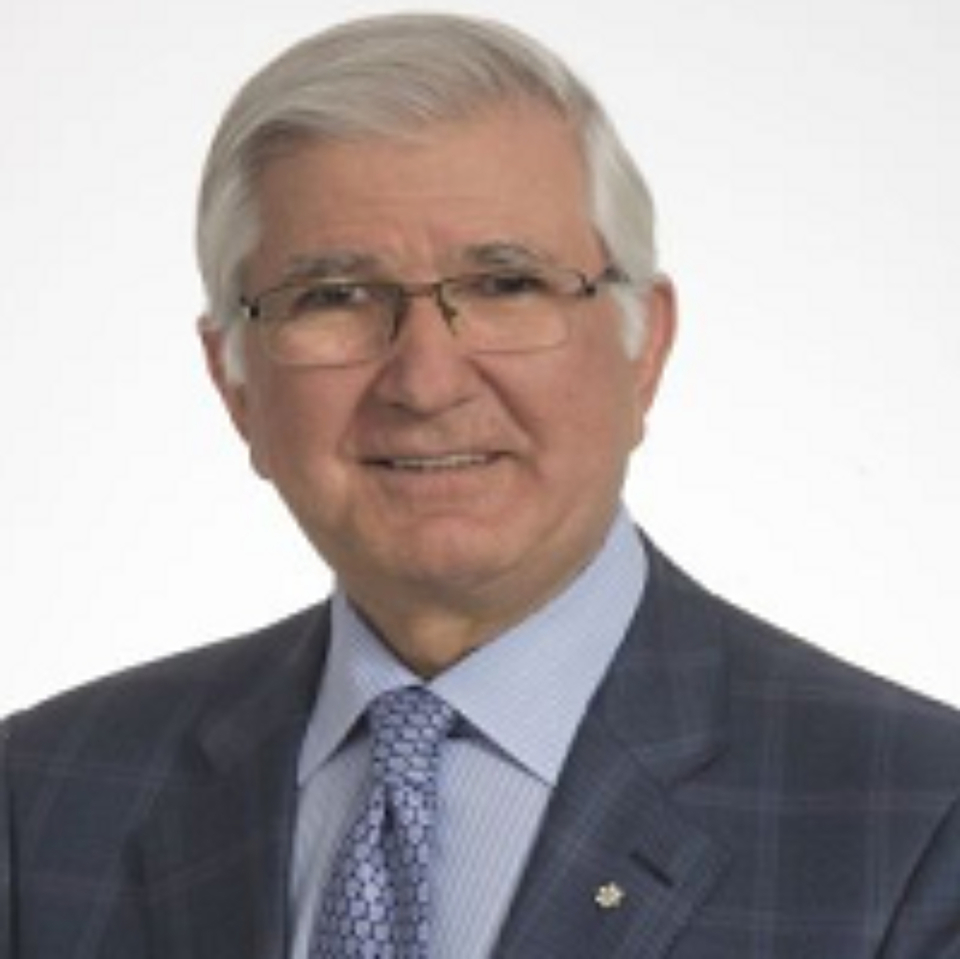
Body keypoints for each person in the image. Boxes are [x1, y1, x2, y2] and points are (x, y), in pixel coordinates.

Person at [2, 11, 959, 958]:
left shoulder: (920, 821)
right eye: (334, 297)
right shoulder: (41, 797)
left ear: (646, 347)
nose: (426, 382)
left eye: (506, 284)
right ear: (235, 382)